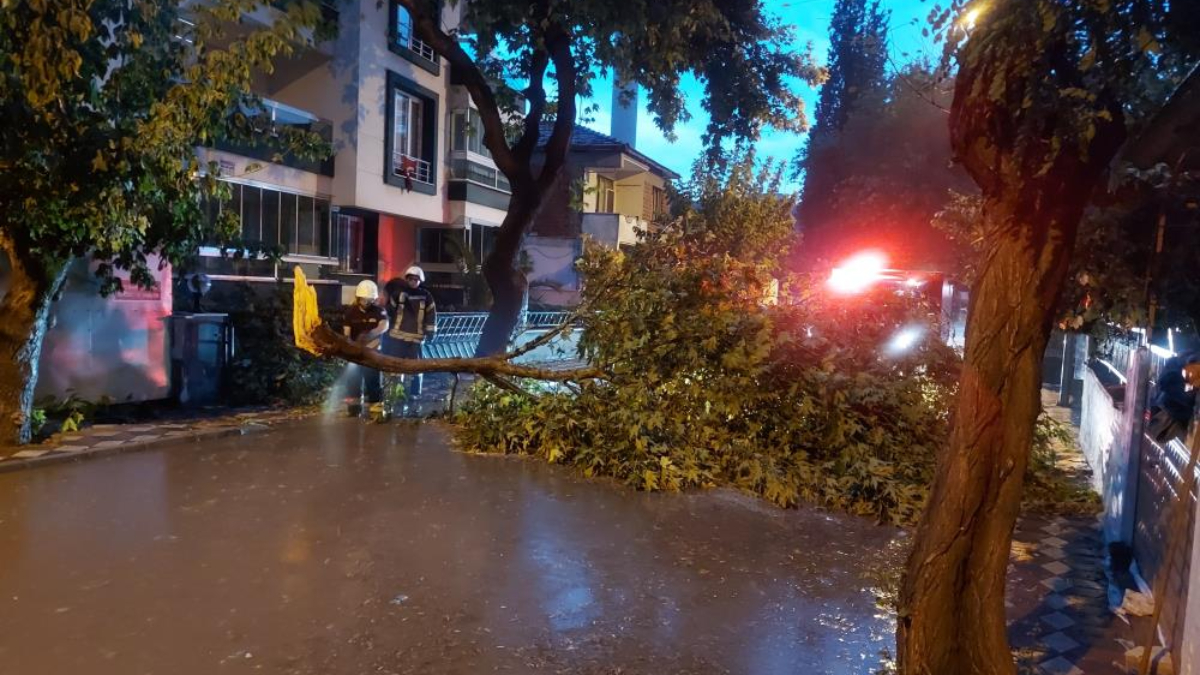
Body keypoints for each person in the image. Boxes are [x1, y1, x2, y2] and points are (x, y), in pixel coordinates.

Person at [384, 265, 437, 413]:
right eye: (410, 279)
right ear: (406, 279)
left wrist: (430, 332)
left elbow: (431, 315)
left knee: (416, 367)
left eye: (416, 279)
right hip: (398, 336)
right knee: (396, 366)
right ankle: (396, 393)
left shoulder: (426, 296)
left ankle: (414, 394)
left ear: (420, 280)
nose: (413, 282)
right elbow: (389, 312)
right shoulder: (398, 294)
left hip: (416, 338)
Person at [343, 280, 388, 417]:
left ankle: (376, 410)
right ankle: (354, 409)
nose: (366, 302)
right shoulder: (351, 312)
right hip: (355, 353)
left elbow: (384, 326)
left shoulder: (379, 311)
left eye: (369, 299)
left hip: (373, 353)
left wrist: (371, 335)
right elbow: (346, 333)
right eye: (364, 299)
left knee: (373, 382)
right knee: (353, 382)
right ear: (358, 297)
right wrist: (350, 346)